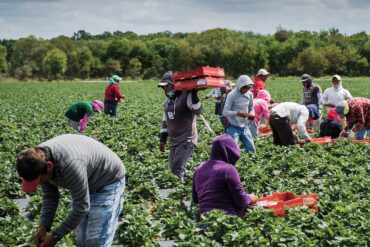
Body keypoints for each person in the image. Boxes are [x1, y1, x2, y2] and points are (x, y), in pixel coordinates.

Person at [16, 134, 126, 247]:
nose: (39, 183)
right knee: (82, 239)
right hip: (85, 179)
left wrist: (55, 236)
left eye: (39, 180)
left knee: (95, 240)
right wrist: (44, 226)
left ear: (49, 166)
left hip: (107, 181)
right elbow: (50, 197)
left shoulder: (70, 164)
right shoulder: (37, 160)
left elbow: (81, 207)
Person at [192, 134, 257, 218]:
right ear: (230, 151)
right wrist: (251, 197)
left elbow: (195, 198)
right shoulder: (228, 169)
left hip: (206, 218)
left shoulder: (199, 168)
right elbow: (241, 201)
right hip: (228, 219)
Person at [158, 71, 202, 183]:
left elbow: (198, 111)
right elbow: (165, 121)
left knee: (176, 168)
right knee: (173, 167)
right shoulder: (168, 102)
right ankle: (195, 181)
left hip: (187, 139)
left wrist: (194, 94)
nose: (165, 89)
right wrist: (163, 139)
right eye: (164, 87)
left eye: (167, 86)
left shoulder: (186, 96)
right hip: (174, 140)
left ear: (174, 84)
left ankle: (180, 191)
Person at [223, 75, 255, 153]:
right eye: (245, 87)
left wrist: (251, 114)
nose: (246, 89)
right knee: (233, 151)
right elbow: (225, 112)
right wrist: (237, 113)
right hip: (233, 126)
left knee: (251, 150)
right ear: (240, 85)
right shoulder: (232, 95)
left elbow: (251, 108)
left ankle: (251, 163)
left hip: (245, 126)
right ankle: (233, 164)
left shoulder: (250, 94)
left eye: (248, 87)